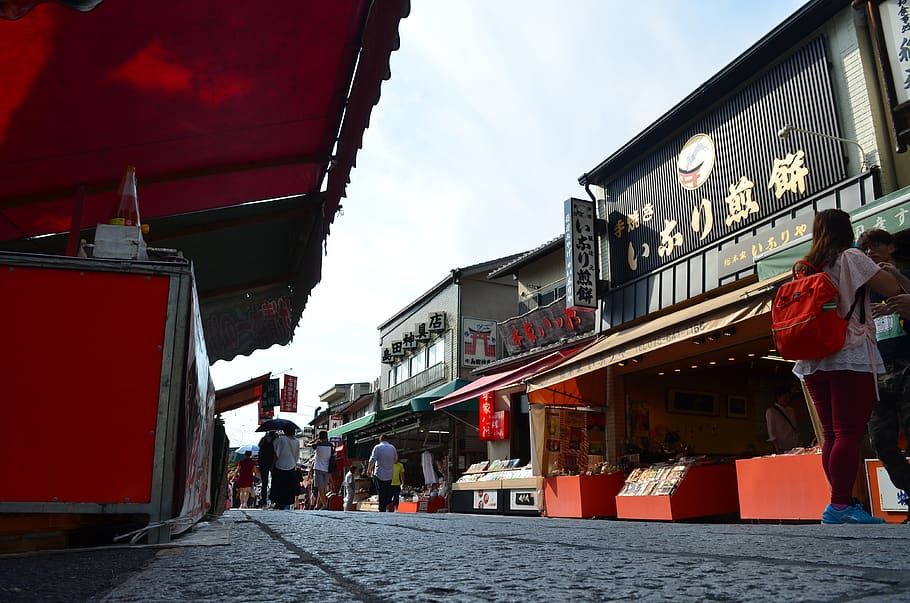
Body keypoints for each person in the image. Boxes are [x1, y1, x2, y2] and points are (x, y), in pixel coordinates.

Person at [792, 209, 900, 524]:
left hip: (813, 358)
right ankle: (839, 506)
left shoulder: (805, 266)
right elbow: (890, 287)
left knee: (831, 434)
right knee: (848, 433)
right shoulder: (850, 256)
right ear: (846, 229)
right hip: (849, 353)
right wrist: (885, 269)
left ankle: (842, 501)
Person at [858, 228, 910, 501]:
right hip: (876, 371)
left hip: (907, 364)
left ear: (891, 247)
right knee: (881, 441)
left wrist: (898, 281)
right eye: (865, 249)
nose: (870, 253)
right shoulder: (864, 290)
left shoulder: (904, 276)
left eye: (876, 246)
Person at [270, 426, 301, 510]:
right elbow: (297, 455)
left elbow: (276, 454)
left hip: (280, 465)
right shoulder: (297, 442)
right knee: (288, 487)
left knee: (279, 485)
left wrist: (272, 465)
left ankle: (278, 502)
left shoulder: (280, 440)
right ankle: (285, 503)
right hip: (291, 465)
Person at [765, 385, 801, 453]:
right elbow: (771, 432)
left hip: (794, 444)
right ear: (778, 397)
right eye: (785, 397)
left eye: (788, 397)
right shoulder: (771, 411)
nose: (787, 400)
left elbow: (795, 427)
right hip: (781, 446)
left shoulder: (791, 410)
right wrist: (776, 448)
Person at [367, 434, 397, 512]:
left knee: (381, 491)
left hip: (379, 473)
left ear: (380, 440)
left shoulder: (377, 447)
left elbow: (372, 459)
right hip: (389, 473)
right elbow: (395, 459)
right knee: (387, 491)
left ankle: (382, 508)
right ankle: (386, 505)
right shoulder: (392, 448)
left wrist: (369, 469)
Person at [311, 430, 334, 510]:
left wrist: (315, 439)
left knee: (320, 488)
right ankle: (317, 506)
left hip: (318, 468)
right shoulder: (331, 445)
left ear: (319, 437)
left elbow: (307, 444)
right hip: (327, 469)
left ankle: (325, 505)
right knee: (323, 488)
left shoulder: (317, 444)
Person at [257, 431, 277, 508]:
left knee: (264, 483)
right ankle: (272, 501)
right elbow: (276, 452)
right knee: (274, 483)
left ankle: (264, 502)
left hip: (263, 463)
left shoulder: (263, 439)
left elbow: (259, 447)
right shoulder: (275, 440)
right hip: (272, 463)